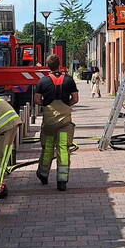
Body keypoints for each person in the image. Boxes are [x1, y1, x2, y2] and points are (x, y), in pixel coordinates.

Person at [35, 54, 79, 191]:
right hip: (65, 122)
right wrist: (67, 106)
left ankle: (43, 174)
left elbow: (37, 100)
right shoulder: (69, 80)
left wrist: (46, 106)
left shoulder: (42, 81)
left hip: (49, 122)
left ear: (48, 66)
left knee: (47, 148)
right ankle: (62, 180)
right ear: (59, 65)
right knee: (63, 149)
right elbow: (76, 99)